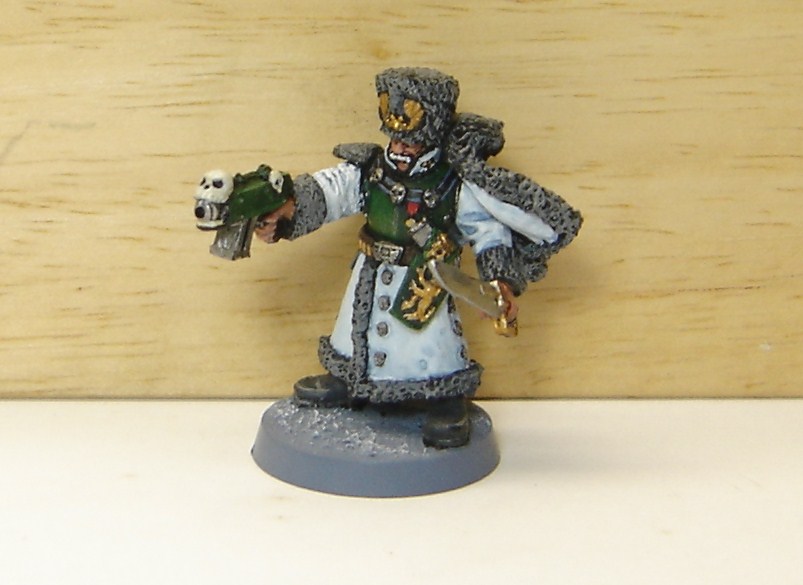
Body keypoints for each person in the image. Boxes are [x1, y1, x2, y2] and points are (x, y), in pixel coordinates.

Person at [253, 67, 581, 448]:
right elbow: (331, 191)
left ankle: (445, 398)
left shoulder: (452, 185)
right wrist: (287, 210)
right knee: (353, 333)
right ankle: (349, 377)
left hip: (425, 280)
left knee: (432, 347)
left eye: (410, 142)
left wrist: (499, 282)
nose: (400, 148)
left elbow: (488, 232)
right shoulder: (371, 170)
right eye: (395, 139)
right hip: (370, 272)